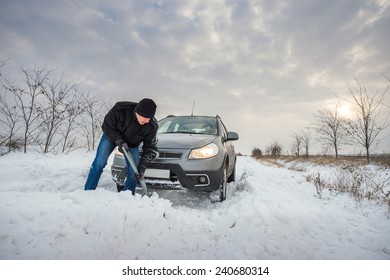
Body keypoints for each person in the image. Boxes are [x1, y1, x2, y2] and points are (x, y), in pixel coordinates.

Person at [84, 98, 158, 194]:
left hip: (132, 144)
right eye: (145, 117)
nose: (147, 121)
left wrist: (141, 168)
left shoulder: (151, 126)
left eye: (150, 118)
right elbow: (107, 126)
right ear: (137, 112)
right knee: (99, 163)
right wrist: (119, 140)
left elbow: (150, 148)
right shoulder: (120, 109)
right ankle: (88, 191)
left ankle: (128, 196)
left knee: (134, 172)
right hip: (111, 137)